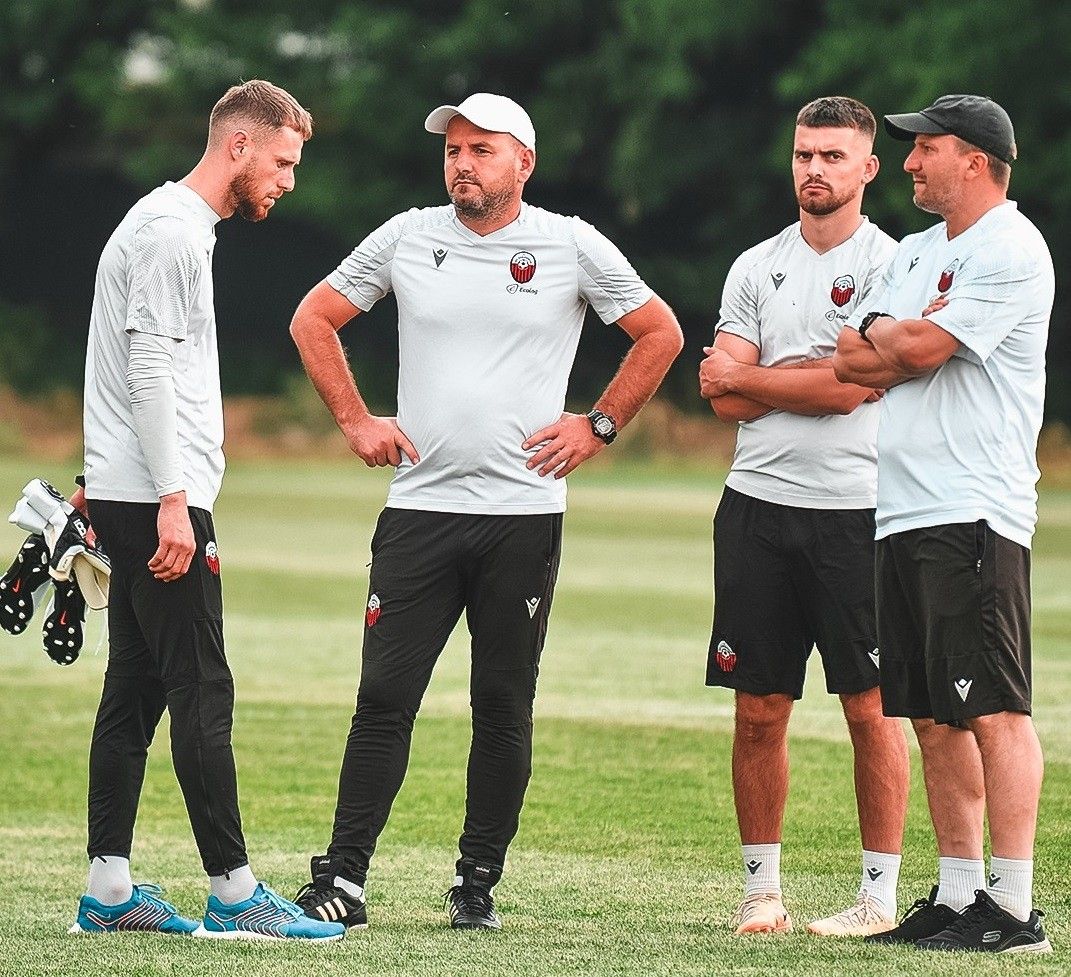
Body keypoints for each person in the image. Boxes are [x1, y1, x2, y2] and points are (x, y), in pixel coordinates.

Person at [288, 92, 683, 931]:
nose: (461, 163)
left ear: (523, 163)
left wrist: (598, 424)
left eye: (481, 149)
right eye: (452, 150)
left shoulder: (569, 242)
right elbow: (313, 318)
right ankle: (342, 879)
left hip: (522, 514)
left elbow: (660, 333)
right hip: (419, 509)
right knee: (383, 695)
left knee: (502, 703)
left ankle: (476, 883)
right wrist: (355, 420)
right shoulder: (407, 235)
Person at [70, 80, 344, 942]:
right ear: (239, 145)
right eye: (283, 162)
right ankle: (234, 891)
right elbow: (147, 369)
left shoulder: (170, 225)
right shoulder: (170, 233)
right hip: (160, 497)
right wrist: (172, 501)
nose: (288, 181)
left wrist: (102, 479)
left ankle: (109, 891)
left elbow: (120, 366)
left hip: (131, 489)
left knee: (136, 686)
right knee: (201, 687)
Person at [833, 94, 1053, 954]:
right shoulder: (917, 251)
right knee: (931, 714)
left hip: (973, 508)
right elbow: (851, 360)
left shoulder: (1010, 246)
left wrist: (894, 338)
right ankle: (958, 895)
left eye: (925, 147)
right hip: (902, 507)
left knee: (993, 708)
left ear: (974, 159)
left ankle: (1013, 906)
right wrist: (895, 336)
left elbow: (917, 352)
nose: (910, 162)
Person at [698, 96, 910, 937]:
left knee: (869, 708)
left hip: (857, 512)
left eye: (831, 155)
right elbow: (719, 397)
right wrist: (806, 377)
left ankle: (877, 896)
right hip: (755, 506)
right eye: (802, 154)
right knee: (758, 708)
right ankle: (761, 891)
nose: (813, 169)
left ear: (867, 168)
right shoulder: (756, 265)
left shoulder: (893, 265)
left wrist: (758, 378)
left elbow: (851, 388)